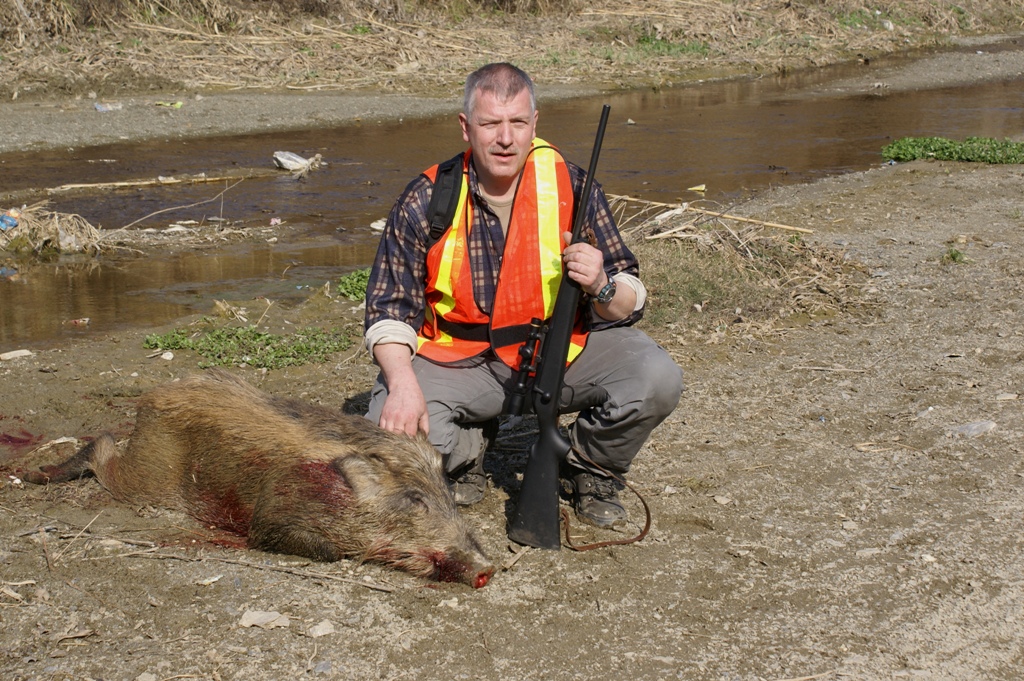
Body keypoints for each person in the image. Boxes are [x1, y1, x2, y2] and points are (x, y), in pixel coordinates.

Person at [364, 62, 683, 529]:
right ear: (466, 127)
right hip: (462, 360)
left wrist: (601, 283)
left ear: (535, 123)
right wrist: (402, 385)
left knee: (656, 377)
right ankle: (468, 449)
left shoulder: (574, 185)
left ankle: (589, 468)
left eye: (517, 122)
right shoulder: (427, 198)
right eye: (490, 123)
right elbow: (389, 309)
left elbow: (629, 300)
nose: (505, 138)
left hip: (560, 351)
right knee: (389, 432)